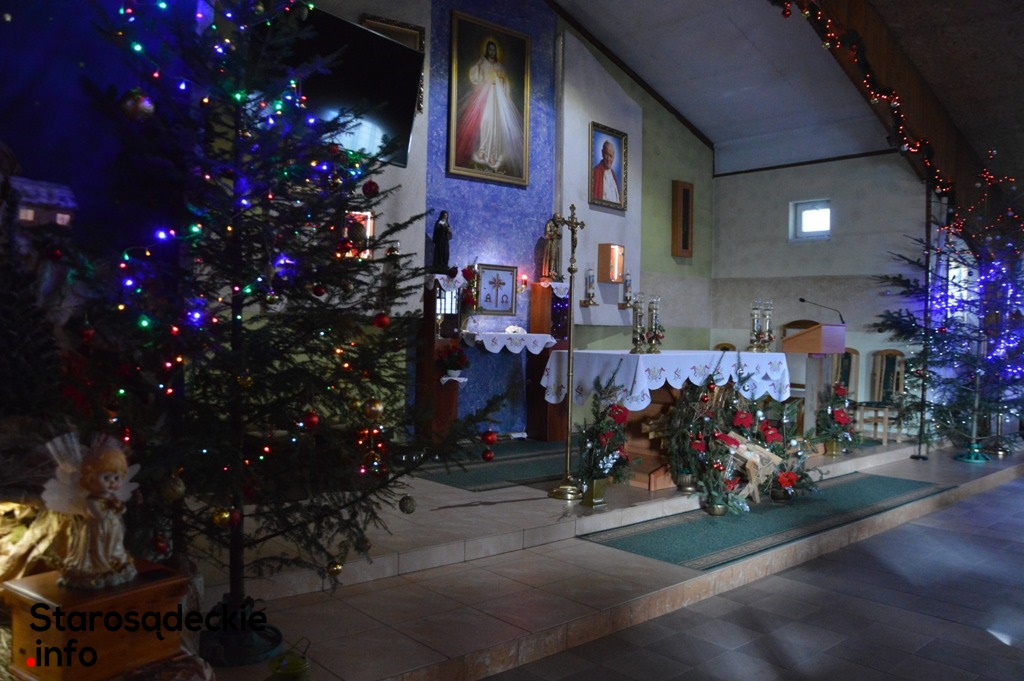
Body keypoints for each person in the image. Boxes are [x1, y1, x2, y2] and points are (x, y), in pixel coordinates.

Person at [60, 439, 137, 588]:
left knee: (114, 547)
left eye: (116, 478)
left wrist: (119, 507)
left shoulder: (112, 497)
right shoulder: (92, 500)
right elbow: (100, 515)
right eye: (106, 478)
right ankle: (99, 567)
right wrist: (113, 507)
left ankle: (114, 563)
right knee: (98, 550)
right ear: (90, 479)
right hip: (97, 531)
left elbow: (121, 510)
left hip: (113, 529)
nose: (112, 482)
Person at [454, 39, 524, 177]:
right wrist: (480, 66)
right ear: (487, 50)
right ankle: (483, 149)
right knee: (485, 121)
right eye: (490, 49)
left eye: (494, 49)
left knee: (495, 124)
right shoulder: (483, 62)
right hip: (486, 95)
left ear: (496, 51)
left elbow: (505, 83)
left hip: (497, 97)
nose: (492, 52)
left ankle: (493, 154)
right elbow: (476, 77)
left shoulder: (499, 66)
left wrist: (502, 79)